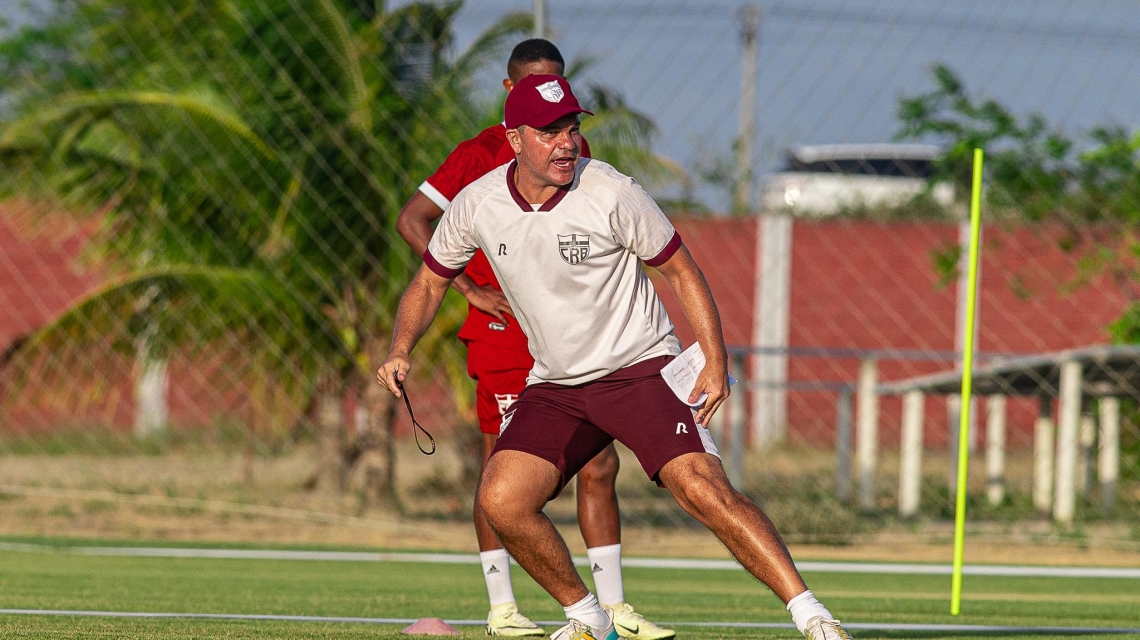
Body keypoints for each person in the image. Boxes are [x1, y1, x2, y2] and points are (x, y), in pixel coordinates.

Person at [378, 74, 853, 640]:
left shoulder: (610, 190)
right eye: (549, 131)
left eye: (572, 129)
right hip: (555, 384)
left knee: (701, 486)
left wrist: (713, 361)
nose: (566, 143)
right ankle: (587, 620)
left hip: (639, 369)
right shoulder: (477, 204)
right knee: (502, 501)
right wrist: (400, 349)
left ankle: (814, 618)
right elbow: (429, 284)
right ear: (513, 141)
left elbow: (681, 271)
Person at [395, 40, 673, 640]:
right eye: (537, 93)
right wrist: (469, 290)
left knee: (600, 462)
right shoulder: (478, 157)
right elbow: (413, 220)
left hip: (569, 340)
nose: (560, 128)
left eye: (563, 96)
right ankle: (503, 609)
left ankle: (613, 607)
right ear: (509, 95)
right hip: (501, 334)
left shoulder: (573, 155)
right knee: (507, 470)